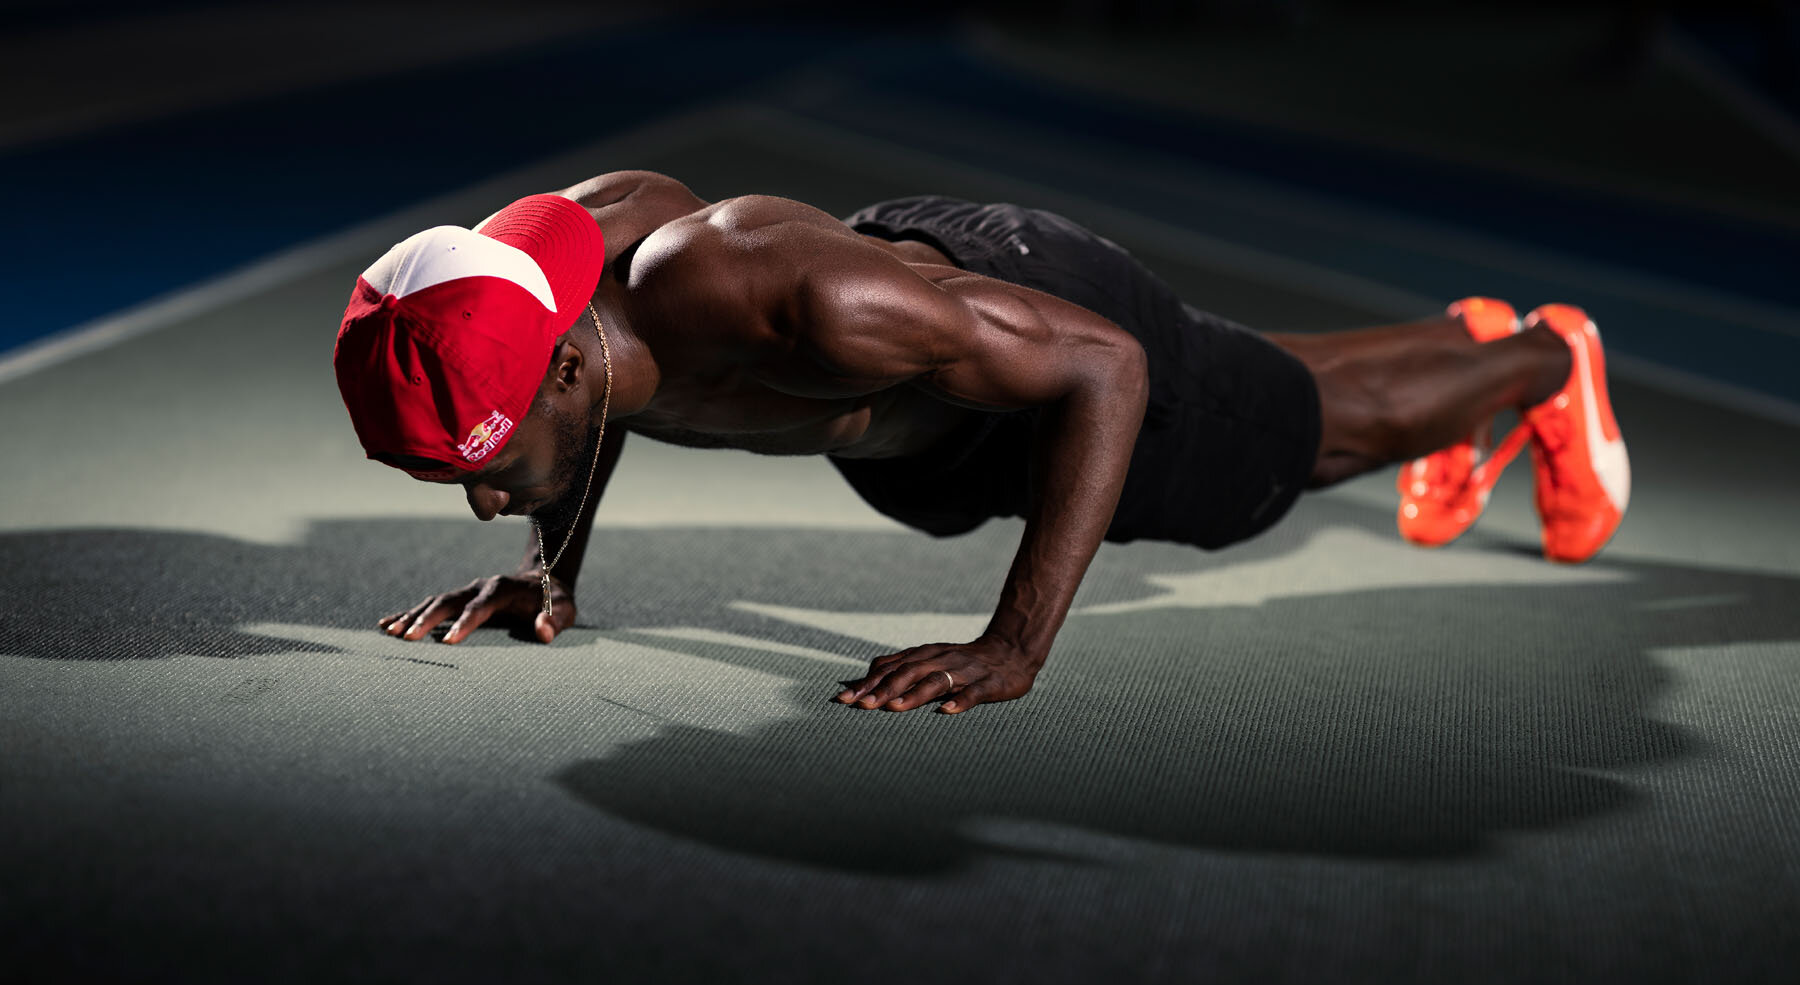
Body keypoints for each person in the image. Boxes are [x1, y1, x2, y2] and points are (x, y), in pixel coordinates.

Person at [333, 172, 1629, 715]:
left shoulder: (777, 296)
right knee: (1265, 375)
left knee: (1294, 445)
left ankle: (1539, 362)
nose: (481, 502)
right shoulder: (531, 298)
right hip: (926, 408)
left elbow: (1104, 366)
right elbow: (580, 410)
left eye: (485, 466)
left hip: (1034, 348)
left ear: (566, 363)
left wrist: (1013, 646)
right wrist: (555, 569)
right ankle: (1470, 340)